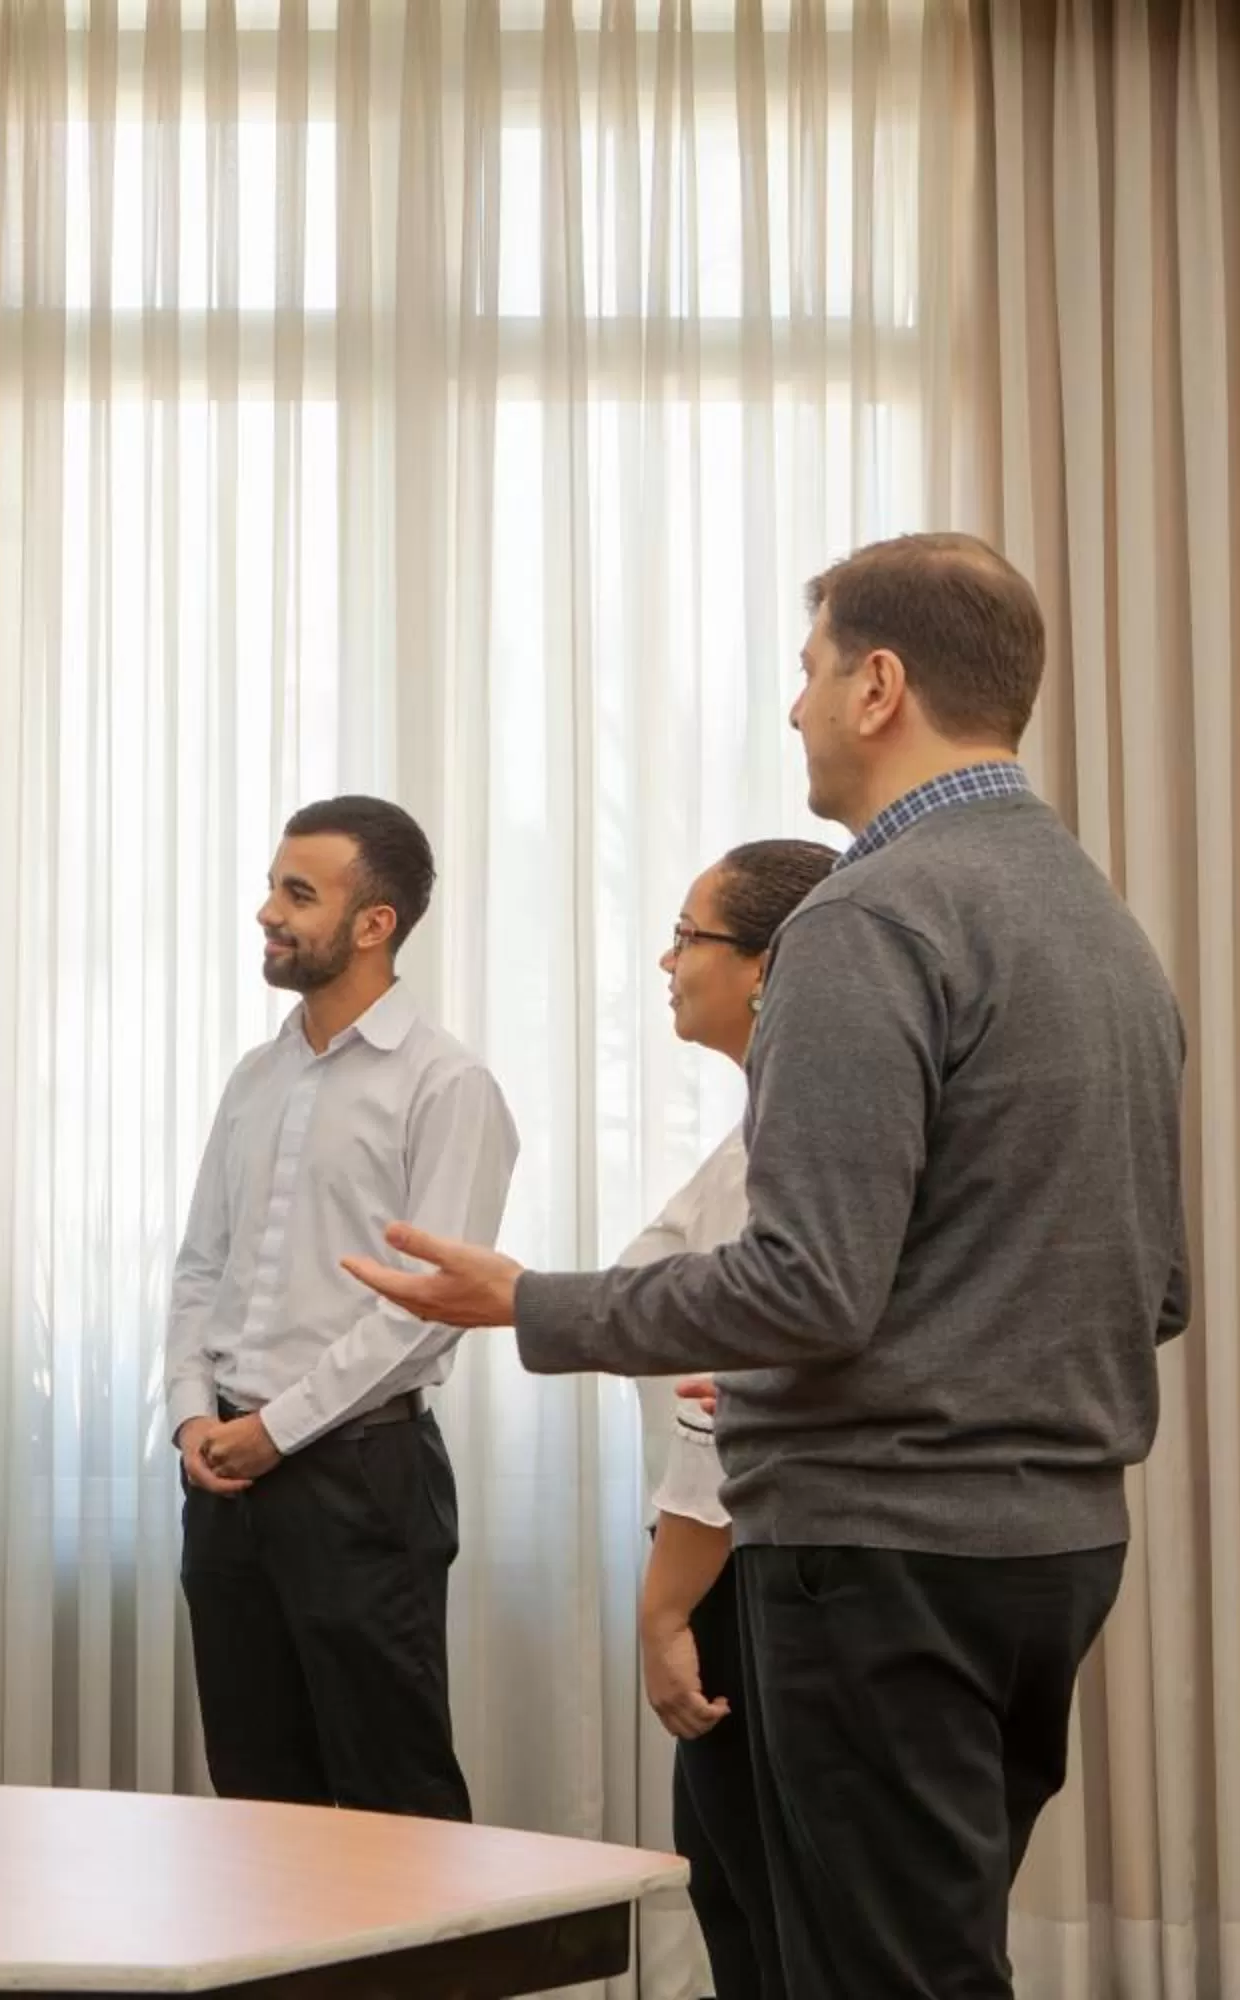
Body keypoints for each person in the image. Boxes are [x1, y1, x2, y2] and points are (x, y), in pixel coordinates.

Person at [344, 533, 1191, 1999]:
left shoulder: (868, 918)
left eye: (806, 674)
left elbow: (807, 1290)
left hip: (882, 1559)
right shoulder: (1105, 930)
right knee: (931, 1960)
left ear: (879, 685)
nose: (792, 708)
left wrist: (524, 1300)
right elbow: (1156, 1290)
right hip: (1052, 1552)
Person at [163, 795, 520, 1822]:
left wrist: (272, 1430)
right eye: (275, 885)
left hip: (363, 1477)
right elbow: (200, 1265)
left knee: (390, 1795)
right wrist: (196, 1412)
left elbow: (427, 1309)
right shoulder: (255, 1076)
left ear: (376, 923)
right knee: (257, 1794)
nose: (268, 910)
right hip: (224, 1474)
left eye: (298, 892)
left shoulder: (448, 1085)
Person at [619, 838, 836, 2000]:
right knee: (737, 1897)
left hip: (748, 1565)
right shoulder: (757, 1121)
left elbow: (728, 1392)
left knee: (771, 1915)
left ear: (767, 965)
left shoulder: (796, 1137)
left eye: (690, 933)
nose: (667, 957)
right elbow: (644, 1288)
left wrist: (663, 1604)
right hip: (736, 1560)